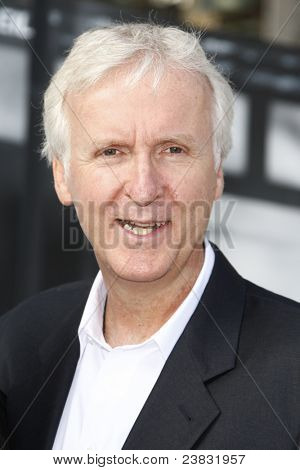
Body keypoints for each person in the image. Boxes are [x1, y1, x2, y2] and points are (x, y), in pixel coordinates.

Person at [0, 23, 300, 451]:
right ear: (63, 178)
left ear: (216, 174)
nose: (143, 189)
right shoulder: (19, 344)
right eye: (111, 151)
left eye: (173, 149)